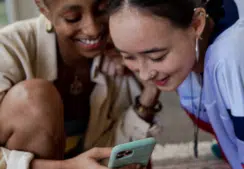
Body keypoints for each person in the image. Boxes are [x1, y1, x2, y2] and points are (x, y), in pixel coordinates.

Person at [108, 0, 244, 168]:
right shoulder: (213, 10)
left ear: (197, 24)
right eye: (128, 56)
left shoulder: (234, 63)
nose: (144, 73)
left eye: (157, 56)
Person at [0, 0, 162, 168]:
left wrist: (149, 90)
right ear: (44, 9)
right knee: (34, 98)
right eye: (73, 18)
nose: (93, 30)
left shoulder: (122, 52)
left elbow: (120, 155)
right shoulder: (7, 48)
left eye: (102, 9)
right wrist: (67, 167)